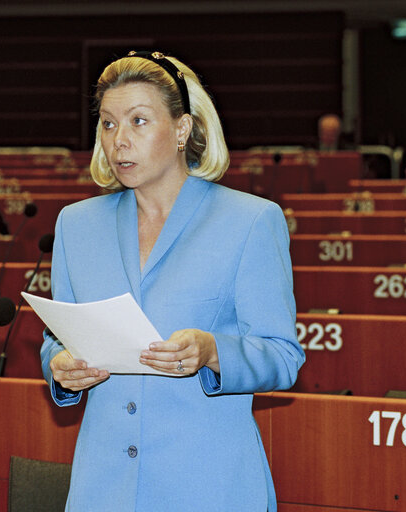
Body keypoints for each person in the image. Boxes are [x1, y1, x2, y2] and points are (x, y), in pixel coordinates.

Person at [40, 51, 304, 511]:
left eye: (138, 121)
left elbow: (282, 357)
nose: (119, 140)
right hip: (103, 487)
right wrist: (59, 368)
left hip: (209, 484)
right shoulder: (75, 225)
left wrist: (212, 350)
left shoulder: (250, 220)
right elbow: (56, 339)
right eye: (107, 123)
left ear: (182, 129)